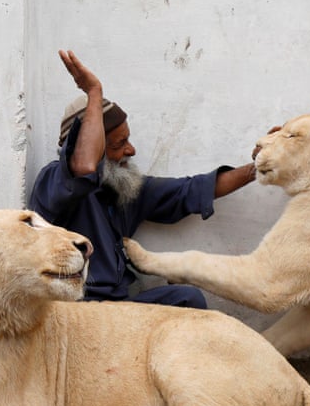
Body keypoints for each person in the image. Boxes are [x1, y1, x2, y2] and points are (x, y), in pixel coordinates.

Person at [29, 50, 257, 309]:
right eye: (119, 143)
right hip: (80, 310)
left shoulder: (121, 186)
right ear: (97, 148)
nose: (131, 150)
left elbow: (190, 190)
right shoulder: (55, 181)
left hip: (120, 306)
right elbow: (84, 167)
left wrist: (261, 167)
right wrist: (94, 92)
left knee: (187, 299)